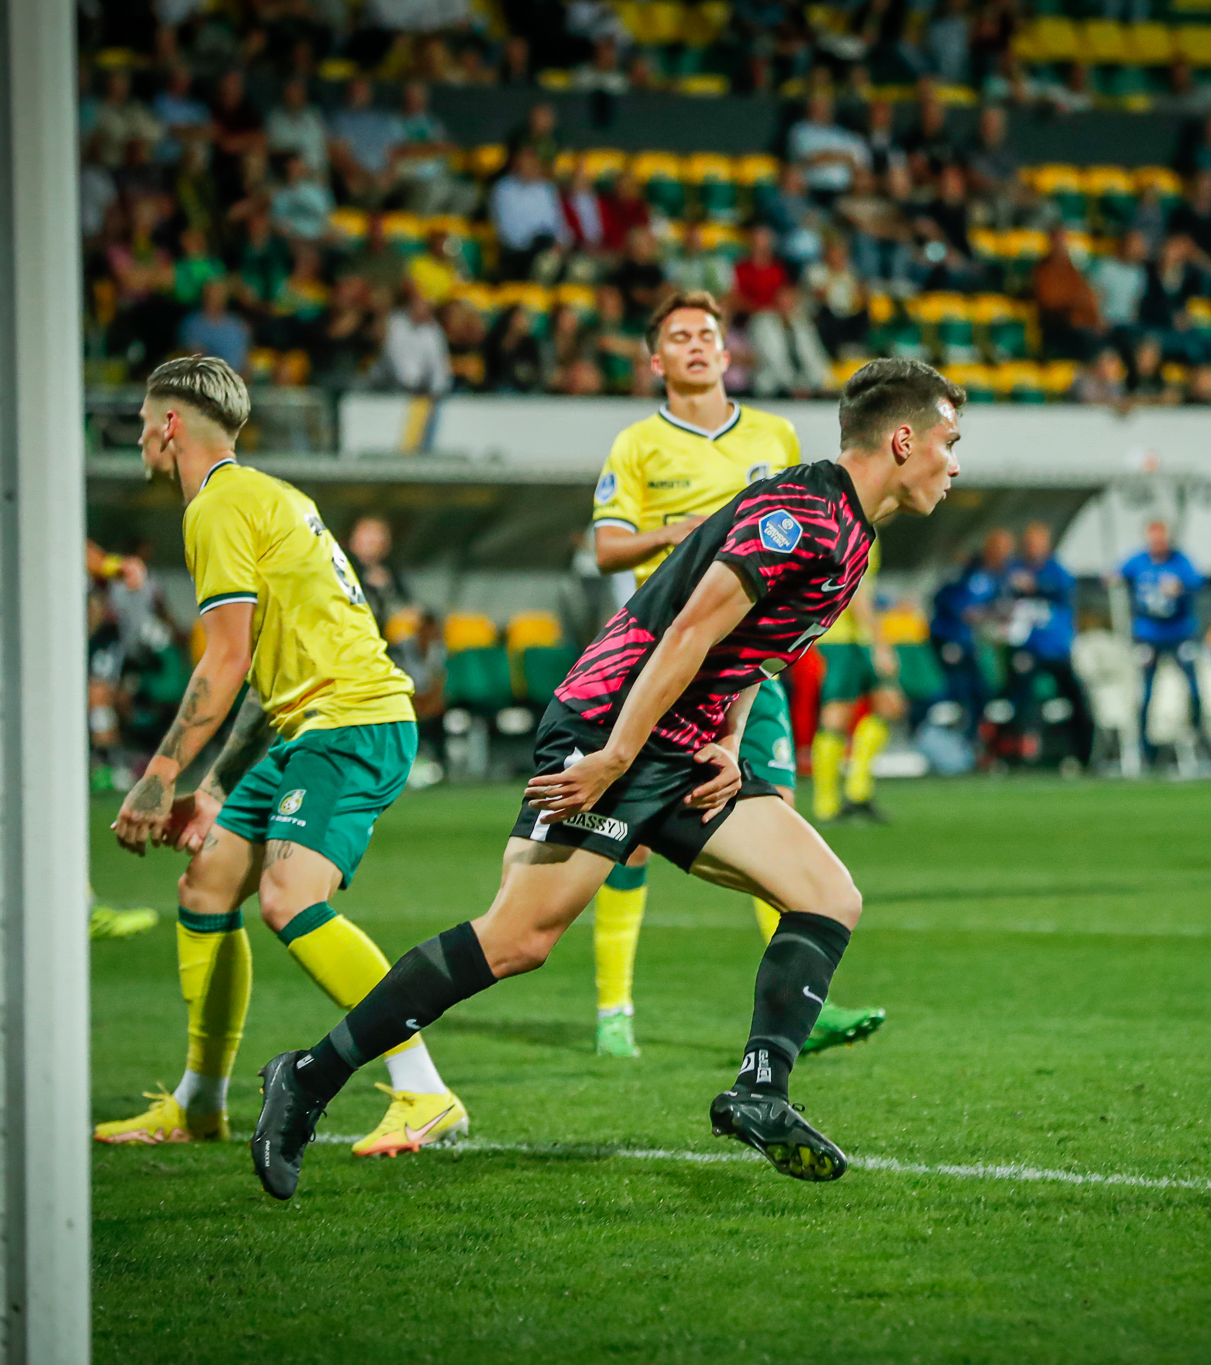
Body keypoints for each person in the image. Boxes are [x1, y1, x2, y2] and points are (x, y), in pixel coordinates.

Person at [250, 360, 968, 1198]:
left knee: (828, 893)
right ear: (905, 438)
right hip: (610, 727)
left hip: (684, 749)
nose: (955, 465)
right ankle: (305, 1077)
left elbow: (752, 653)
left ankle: (761, 1092)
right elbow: (690, 632)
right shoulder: (801, 513)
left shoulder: (855, 536)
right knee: (520, 936)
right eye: (951, 443)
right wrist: (617, 759)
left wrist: (732, 741)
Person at [98, 356, 465, 1159]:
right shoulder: (273, 496)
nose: (137, 438)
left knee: (289, 896)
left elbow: (224, 661)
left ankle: (423, 1090)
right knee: (208, 878)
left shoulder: (217, 507)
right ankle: (199, 1102)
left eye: (140, 424)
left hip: (349, 724)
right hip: (311, 724)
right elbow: (272, 672)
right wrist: (217, 784)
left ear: (169, 426)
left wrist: (159, 778)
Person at [586, 290, 885, 1060]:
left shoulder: (773, 433)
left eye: (707, 335)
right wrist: (680, 531)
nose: (695, 345)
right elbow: (608, 547)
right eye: (679, 336)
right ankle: (614, 1006)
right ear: (656, 360)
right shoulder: (638, 445)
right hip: (671, 660)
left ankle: (800, 1006)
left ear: (726, 353)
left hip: (757, 662)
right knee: (635, 840)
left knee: (775, 819)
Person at [0, 428, 159, 946]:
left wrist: (110, 565)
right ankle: (75, 904)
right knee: (46, 766)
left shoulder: (28, 452)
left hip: (14, 636)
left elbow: (60, 531)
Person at [812, 540, 905, 825]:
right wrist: (879, 643)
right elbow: (855, 592)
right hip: (841, 638)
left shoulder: (859, 525)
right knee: (837, 715)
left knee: (889, 705)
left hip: (849, 637)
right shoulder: (860, 530)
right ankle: (827, 805)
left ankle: (857, 792)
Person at [1003, 522, 1092, 768]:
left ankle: (1083, 754)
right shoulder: (1015, 569)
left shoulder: (1056, 572)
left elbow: (1059, 590)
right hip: (1026, 649)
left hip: (1055, 651)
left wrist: (1034, 587)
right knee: (1023, 699)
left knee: (1077, 699)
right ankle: (1022, 753)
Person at [1116, 520, 1205, 766]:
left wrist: (1180, 587)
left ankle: (1196, 743)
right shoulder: (1138, 561)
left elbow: (1197, 582)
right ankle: (1143, 748)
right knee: (1144, 693)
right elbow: (1114, 574)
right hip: (1148, 635)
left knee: (1192, 689)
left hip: (1178, 634)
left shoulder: (1180, 561)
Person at [928, 529, 1009, 742]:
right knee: (958, 691)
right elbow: (956, 607)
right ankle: (959, 742)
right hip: (951, 640)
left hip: (969, 644)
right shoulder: (968, 575)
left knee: (978, 690)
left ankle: (975, 741)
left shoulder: (996, 577)